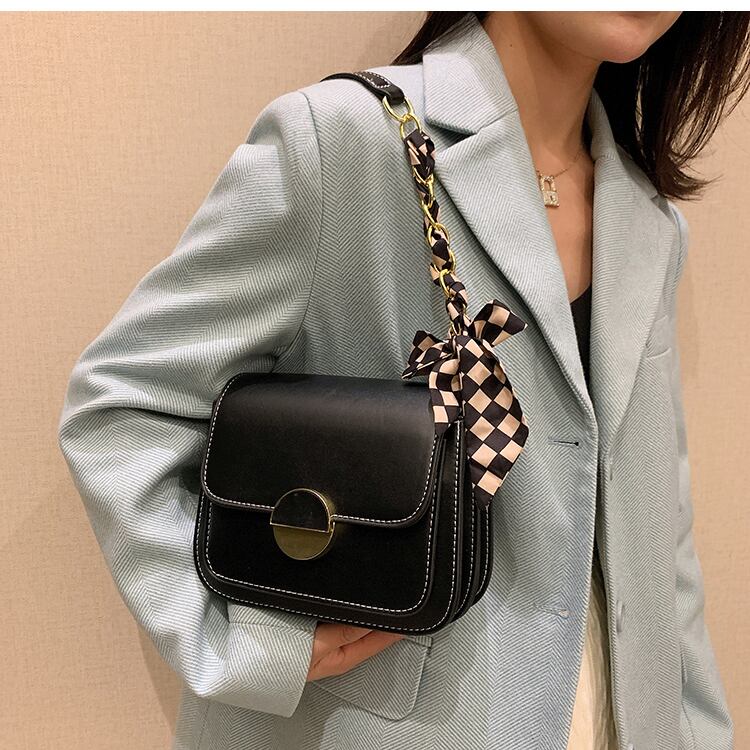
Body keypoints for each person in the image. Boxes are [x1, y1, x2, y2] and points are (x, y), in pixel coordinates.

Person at [58, 11, 747, 750]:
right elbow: (121, 408)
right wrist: (251, 645)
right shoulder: (343, 143)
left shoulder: (647, 218)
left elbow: (661, 528)